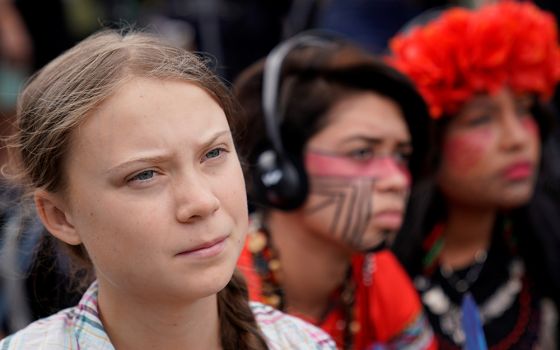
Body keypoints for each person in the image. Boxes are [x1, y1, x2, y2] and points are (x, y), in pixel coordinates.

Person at [0, 29, 337, 349]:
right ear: (61, 216)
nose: (202, 202)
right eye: (145, 175)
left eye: (214, 153)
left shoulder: (306, 344)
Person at [234, 32, 437, 349]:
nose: (397, 179)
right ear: (282, 170)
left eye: (401, 155)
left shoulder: (374, 271)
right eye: (361, 153)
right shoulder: (222, 293)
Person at [388, 2, 560, 348]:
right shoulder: (378, 272)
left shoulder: (547, 246)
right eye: (481, 119)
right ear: (427, 141)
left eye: (524, 109)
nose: (516, 139)